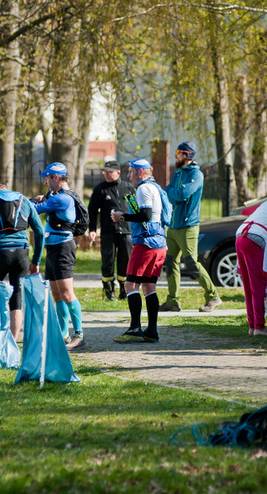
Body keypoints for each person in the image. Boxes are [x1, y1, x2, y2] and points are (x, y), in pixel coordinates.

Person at [0, 181, 44, 345]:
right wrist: (36, 261)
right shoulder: (25, 201)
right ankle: (13, 343)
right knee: (16, 297)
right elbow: (40, 232)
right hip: (21, 255)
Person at [161, 141, 221, 313]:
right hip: (173, 226)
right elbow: (168, 192)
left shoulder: (196, 174)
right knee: (170, 262)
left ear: (187, 155)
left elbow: (182, 194)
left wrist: (171, 194)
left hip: (188, 226)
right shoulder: (178, 174)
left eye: (178, 152)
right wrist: (172, 194)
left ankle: (213, 296)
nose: (175, 155)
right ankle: (173, 301)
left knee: (191, 262)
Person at [33, 162, 88, 351]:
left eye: (47, 179)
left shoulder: (62, 199)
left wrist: (30, 201)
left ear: (55, 178)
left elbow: (35, 210)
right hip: (53, 248)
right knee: (56, 293)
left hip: (63, 248)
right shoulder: (55, 196)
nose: (45, 182)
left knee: (66, 293)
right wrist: (44, 198)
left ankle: (79, 336)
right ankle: (63, 335)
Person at [112, 159, 167, 343]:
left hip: (145, 244)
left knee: (130, 285)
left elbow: (145, 215)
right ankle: (152, 331)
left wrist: (122, 217)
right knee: (149, 287)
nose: (128, 176)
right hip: (159, 242)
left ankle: (135, 328)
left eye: (130, 172)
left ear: (140, 173)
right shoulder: (155, 187)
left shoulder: (143, 189)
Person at [235, 188, 267, 338]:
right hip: (254, 239)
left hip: (241, 235)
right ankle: (259, 327)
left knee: (249, 286)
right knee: (258, 286)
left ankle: (252, 325)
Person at [87, 158, 134, 301]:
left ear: (118, 173)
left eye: (110, 172)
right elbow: (93, 211)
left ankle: (124, 289)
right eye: (105, 172)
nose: (106, 175)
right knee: (107, 260)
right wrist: (93, 229)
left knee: (125, 260)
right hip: (108, 231)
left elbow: (135, 208)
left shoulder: (128, 187)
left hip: (126, 230)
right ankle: (108, 291)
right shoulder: (100, 189)